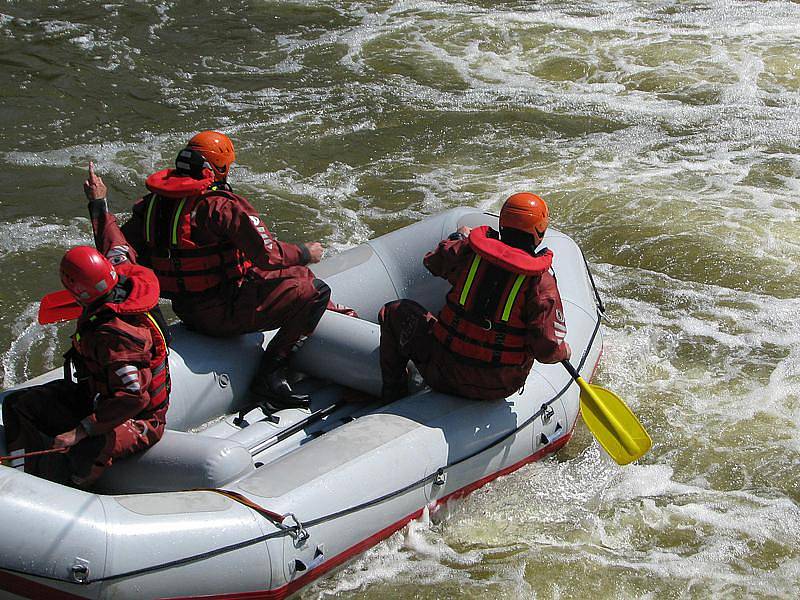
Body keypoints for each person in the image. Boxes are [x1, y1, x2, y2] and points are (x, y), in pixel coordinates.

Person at [101, 130, 354, 409]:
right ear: (218, 168)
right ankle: (271, 375)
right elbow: (268, 255)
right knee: (313, 290)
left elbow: (119, 253)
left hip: (189, 312)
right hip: (226, 314)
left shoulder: (151, 207)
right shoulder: (220, 206)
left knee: (299, 277)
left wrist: (98, 207)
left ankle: (330, 313)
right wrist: (306, 252)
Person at [1, 164, 170, 487]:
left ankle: (66, 490)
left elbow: (133, 398)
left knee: (88, 448)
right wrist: (98, 202)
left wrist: (81, 430)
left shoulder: (114, 336)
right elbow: (112, 241)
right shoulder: (122, 273)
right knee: (17, 404)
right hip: (96, 393)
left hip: (140, 419)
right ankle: (20, 477)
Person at [379, 192, 571, 401]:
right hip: (498, 385)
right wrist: (564, 352)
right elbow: (546, 349)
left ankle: (393, 393)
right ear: (539, 233)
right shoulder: (541, 282)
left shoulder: (470, 251)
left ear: (502, 224)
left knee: (393, 312)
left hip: (442, 371)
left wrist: (459, 237)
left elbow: (433, 262)